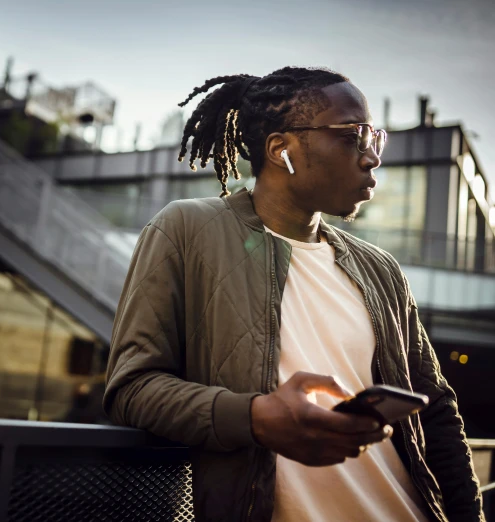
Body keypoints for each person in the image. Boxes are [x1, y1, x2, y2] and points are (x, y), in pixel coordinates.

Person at [103, 67, 483, 522]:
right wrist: (254, 417)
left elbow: (437, 411)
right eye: (353, 135)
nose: (371, 158)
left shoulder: (381, 270)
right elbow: (132, 388)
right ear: (281, 149)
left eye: (374, 138)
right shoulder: (185, 229)